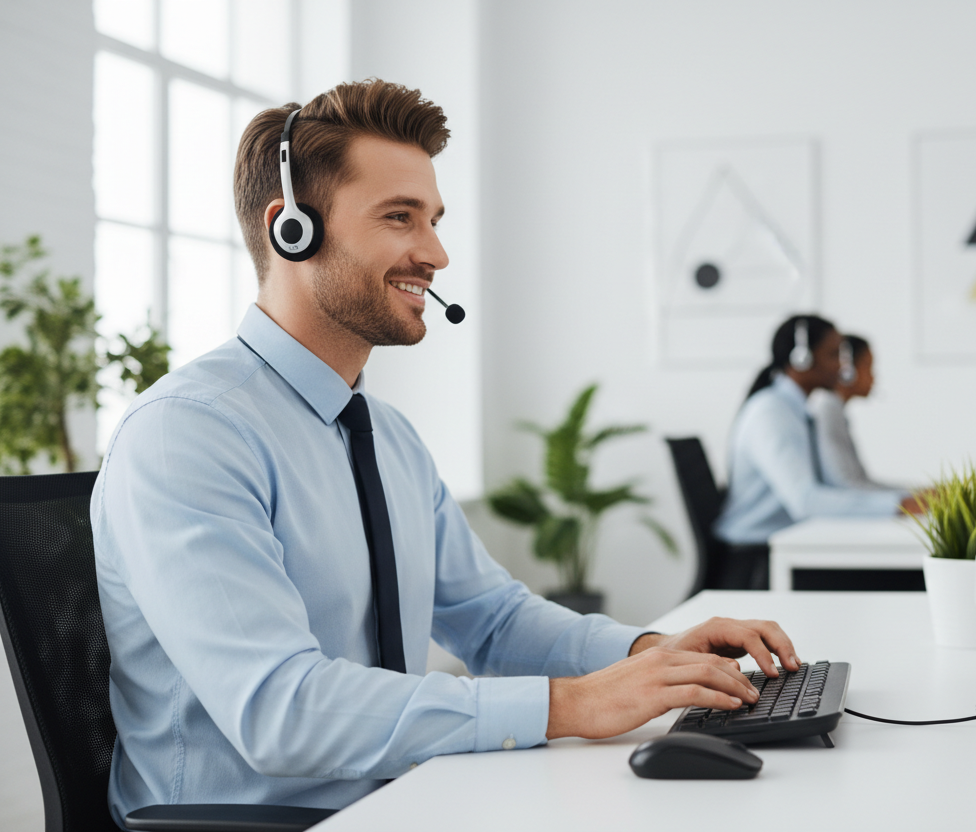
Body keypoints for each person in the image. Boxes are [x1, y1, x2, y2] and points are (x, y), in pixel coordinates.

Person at [91, 80, 800, 822]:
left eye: (432, 220)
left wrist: (653, 653)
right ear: (292, 228)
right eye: (400, 218)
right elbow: (282, 710)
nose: (435, 253)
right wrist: (571, 705)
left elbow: (491, 621)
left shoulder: (384, 434)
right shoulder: (188, 435)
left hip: (401, 796)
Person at [715, 316, 920, 547]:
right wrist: (900, 504)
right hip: (752, 557)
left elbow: (835, 485)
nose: (843, 367)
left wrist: (908, 498)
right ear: (801, 359)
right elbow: (806, 501)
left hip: (785, 543)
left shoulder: (797, 411)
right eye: (834, 355)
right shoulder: (770, 413)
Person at [808, 334, 899, 491]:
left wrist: (920, 493)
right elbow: (846, 484)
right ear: (847, 369)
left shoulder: (834, 408)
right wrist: (919, 497)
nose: (874, 376)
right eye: (869, 366)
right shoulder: (827, 408)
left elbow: (860, 481)